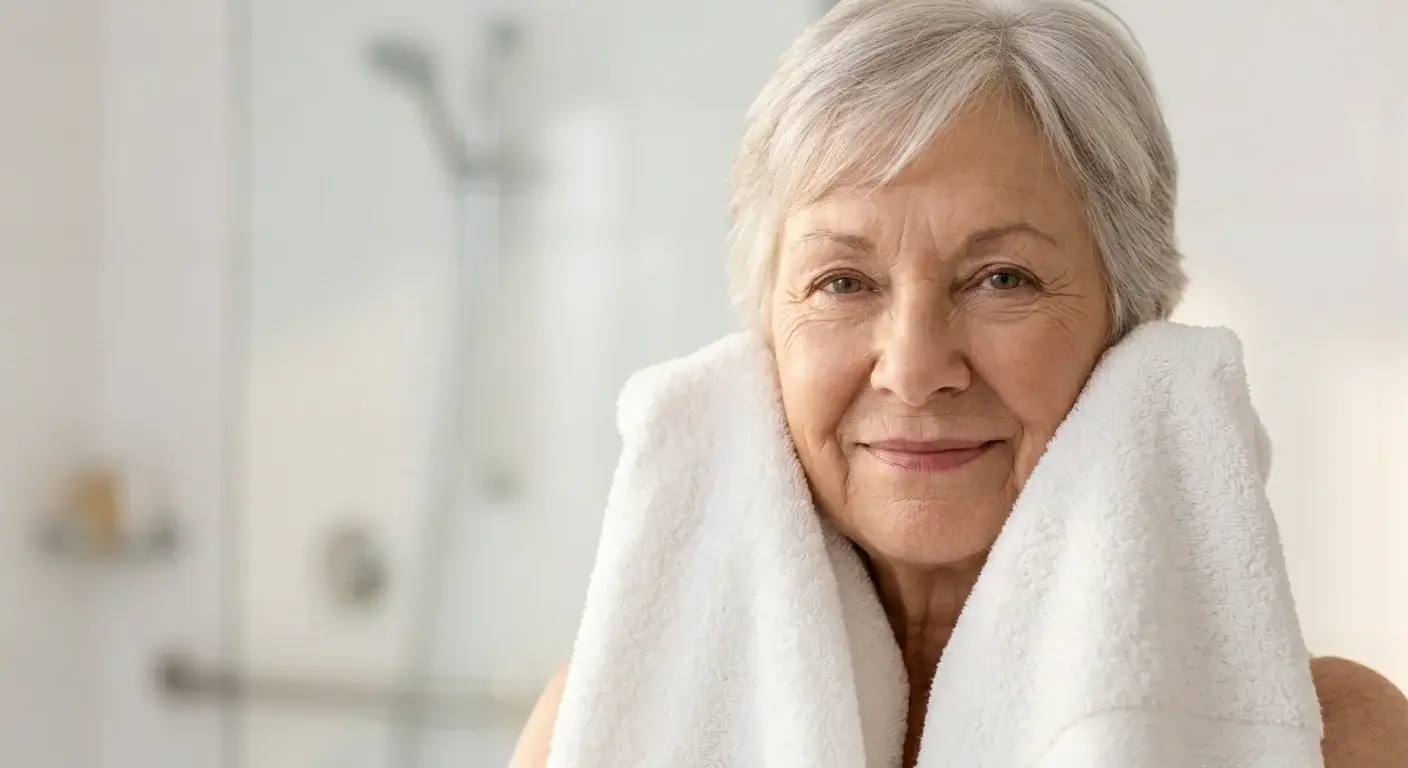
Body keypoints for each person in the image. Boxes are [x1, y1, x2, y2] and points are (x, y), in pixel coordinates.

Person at [512, 1, 1408, 765]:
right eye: (843, 283)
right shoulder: (597, 722)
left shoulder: (1330, 740)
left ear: (1133, 321)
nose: (912, 369)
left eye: (1002, 279)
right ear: (765, 335)